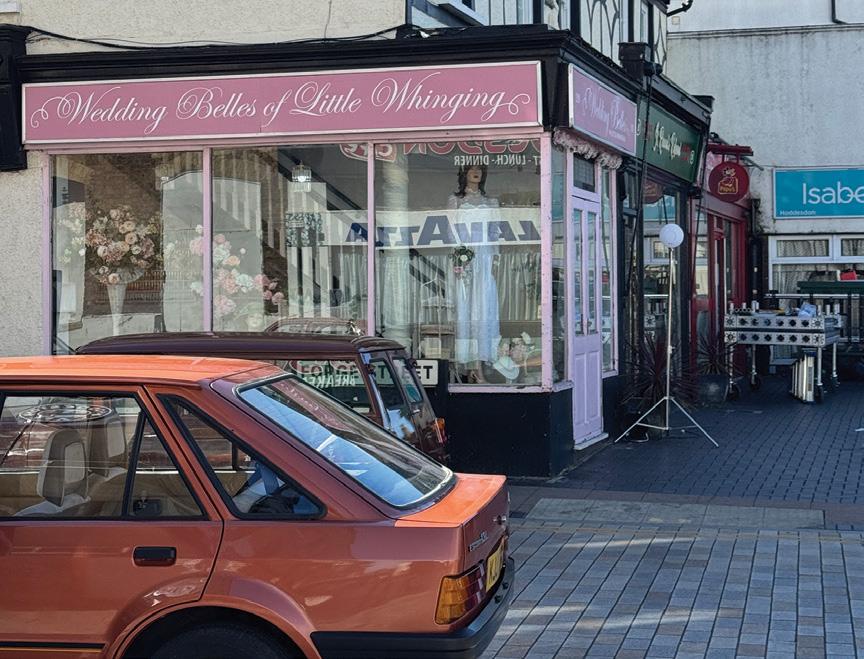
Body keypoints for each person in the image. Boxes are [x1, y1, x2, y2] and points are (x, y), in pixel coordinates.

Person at [447, 165, 502, 383]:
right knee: (466, 308)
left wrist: (495, 259)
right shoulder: (455, 200)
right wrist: (459, 256)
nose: (476, 172)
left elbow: (495, 232)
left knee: (483, 307)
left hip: (484, 256)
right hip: (466, 255)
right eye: (471, 169)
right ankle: (470, 365)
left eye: (479, 169)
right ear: (464, 174)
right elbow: (451, 231)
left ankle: (479, 365)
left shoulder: (491, 201)